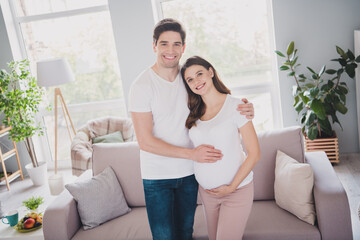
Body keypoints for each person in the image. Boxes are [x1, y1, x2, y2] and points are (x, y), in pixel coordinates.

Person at [128, 18, 254, 240]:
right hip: (157, 176)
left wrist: (246, 107)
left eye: (176, 44)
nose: (170, 50)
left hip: (189, 174)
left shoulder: (189, 80)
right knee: (164, 236)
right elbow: (145, 141)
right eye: (164, 43)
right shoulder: (141, 86)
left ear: (183, 48)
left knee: (186, 233)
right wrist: (192, 154)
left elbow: (218, 104)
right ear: (154, 45)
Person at [180, 55, 261, 240]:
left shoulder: (237, 106)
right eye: (190, 79)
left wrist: (232, 187)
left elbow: (255, 153)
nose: (196, 82)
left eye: (199, 74)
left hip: (236, 191)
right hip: (207, 194)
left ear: (211, 71)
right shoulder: (193, 112)